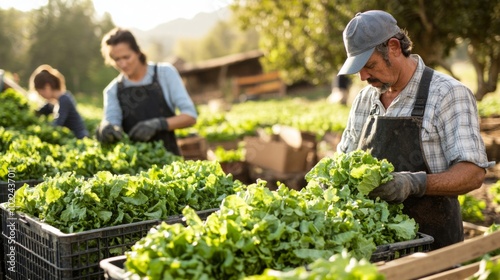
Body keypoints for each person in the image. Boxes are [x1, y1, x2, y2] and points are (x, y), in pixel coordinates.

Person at [336, 10, 494, 250]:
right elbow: (343, 160)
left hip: (434, 246)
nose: (363, 76)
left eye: (369, 65)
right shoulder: (364, 100)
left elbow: (473, 173)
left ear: (393, 47)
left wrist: (414, 184)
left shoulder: (447, 94)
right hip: (376, 246)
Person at [96, 27, 197, 155]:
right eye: (116, 59)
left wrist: (159, 124)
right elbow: (112, 121)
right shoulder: (113, 90)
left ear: (137, 52)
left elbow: (190, 116)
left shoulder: (165, 74)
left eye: (126, 57)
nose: (122, 64)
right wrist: (107, 129)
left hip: (169, 160)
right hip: (134, 163)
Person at [29, 64, 89, 139]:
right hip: (70, 138)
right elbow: (39, 111)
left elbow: (58, 123)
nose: (41, 96)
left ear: (47, 87)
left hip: (80, 139)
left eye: (40, 92)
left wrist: (43, 129)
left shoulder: (64, 99)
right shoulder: (53, 103)